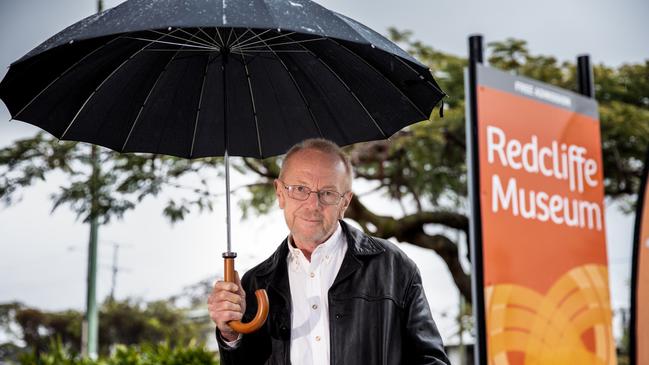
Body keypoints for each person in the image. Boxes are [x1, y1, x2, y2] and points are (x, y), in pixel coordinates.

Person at [208, 138, 450, 365]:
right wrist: (230, 334)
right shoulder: (255, 283)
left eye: (327, 193)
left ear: (344, 202)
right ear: (280, 193)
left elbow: (431, 360)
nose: (313, 205)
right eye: (300, 189)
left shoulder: (393, 267)